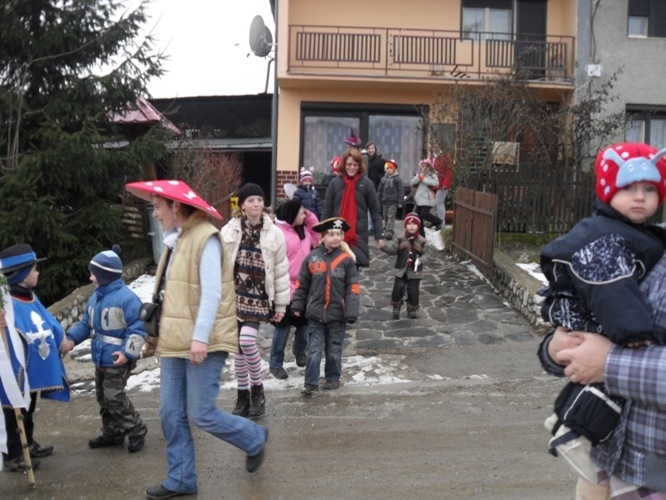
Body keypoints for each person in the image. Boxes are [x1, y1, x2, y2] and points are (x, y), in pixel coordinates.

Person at [125, 180, 269, 499]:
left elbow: (212, 293)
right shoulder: (174, 242)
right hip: (175, 341)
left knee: (201, 412)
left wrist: (200, 338)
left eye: (158, 207)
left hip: (204, 341)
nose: (155, 214)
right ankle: (181, 478)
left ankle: (253, 437)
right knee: (170, 413)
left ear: (176, 206)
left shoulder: (206, 238)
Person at [536, 142, 666, 485]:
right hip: (610, 461)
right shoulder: (619, 238)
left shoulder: (637, 238)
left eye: (650, 190)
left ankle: (575, 426)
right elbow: (606, 297)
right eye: (629, 188)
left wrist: (611, 362)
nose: (640, 197)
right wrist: (556, 348)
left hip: (651, 473)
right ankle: (572, 424)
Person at [59, 245, 148, 453]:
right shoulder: (95, 298)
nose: (91, 278)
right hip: (101, 358)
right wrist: (71, 339)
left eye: (94, 274)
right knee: (103, 397)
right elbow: (85, 324)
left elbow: (138, 329)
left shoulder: (127, 299)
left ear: (105, 276)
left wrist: (127, 354)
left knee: (113, 396)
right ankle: (113, 431)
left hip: (118, 358)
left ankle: (136, 429)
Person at [220, 183, 290, 419]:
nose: (256, 204)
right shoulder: (228, 230)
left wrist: (281, 305)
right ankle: (243, 395)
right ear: (242, 205)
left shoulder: (274, 233)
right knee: (238, 349)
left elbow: (281, 271)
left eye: (259, 200)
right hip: (234, 297)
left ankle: (257, 390)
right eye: (251, 200)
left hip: (258, 298)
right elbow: (219, 265)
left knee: (247, 341)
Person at [0, 244, 69, 472]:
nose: (38, 273)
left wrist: (60, 338)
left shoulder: (29, 297)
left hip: (31, 366)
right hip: (13, 369)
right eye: (34, 269)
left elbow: (46, 319)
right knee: (14, 410)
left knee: (28, 406)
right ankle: (13, 454)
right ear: (21, 274)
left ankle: (27, 443)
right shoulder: (6, 303)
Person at [292, 217, 360, 395]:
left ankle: (333, 378)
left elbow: (352, 288)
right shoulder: (312, 258)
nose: (335, 237)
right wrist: (298, 305)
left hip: (337, 314)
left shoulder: (347, 260)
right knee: (314, 350)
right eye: (331, 234)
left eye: (338, 234)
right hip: (315, 314)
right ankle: (311, 382)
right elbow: (302, 284)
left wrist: (351, 311)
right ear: (322, 237)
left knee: (334, 349)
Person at [269, 200, 320, 380]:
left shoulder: (304, 230)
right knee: (283, 328)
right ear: (291, 215)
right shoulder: (278, 233)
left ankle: (299, 351)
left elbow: (317, 234)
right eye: (300, 213)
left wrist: (309, 215)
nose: (304, 216)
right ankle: (275, 363)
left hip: (304, 287)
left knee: (304, 325)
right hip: (284, 287)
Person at [322, 148, 385, 267]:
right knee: (336, 274)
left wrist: (379, 236)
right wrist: (322, 233)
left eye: (355, 165)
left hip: (358, 237)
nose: (352, 168)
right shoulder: (334, 183)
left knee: (353, 274)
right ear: (344, 165)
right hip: (336, 236)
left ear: (359, 166)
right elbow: (327, 210)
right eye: (349, 164)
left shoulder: (367, 184)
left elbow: (375, 211)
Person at [381, 212, 426, 319]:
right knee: (397, 288)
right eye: (409, 224)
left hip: (414, 271)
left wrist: (421, 260)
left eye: (414, 224)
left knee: (413, 290)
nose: (412, 226)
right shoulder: (400, 238)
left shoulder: (422, 240)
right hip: (400, 269)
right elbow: (392, 249)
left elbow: (427, 253)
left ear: (418, 226)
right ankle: (396, 306)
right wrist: (383, 246)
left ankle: (412, 308)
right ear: (405, 225)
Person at [410, 158, 443, 235]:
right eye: (423, 166)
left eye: (426, 167)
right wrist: (419, 177)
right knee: (418, 216)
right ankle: (421, 233)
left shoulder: (433, 175)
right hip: (420, 198)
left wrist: (424, 179)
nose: (424, 168)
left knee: (424, 213)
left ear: (429, 167)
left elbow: (435, 183)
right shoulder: (420, 174)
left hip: (428, 198)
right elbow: (412, 183)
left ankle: (437, 221)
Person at [377, 159, 404, 240]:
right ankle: (386, 228)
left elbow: (401, 190)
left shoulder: (397, 179)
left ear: (394, 169)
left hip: (393, 201)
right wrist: (378, 198)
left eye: (390, 168)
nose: (389, 170)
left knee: (391, 216)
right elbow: (380, 190)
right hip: (385, 200)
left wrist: (400, 201)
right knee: (385, 215)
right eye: (387, 168)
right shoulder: (383, 179)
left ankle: (389, 231)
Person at [433, 151, 454, 221]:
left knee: (439, 202)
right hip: (435, 183)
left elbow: (449, 171)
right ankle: (435, 220)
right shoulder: (436, 156)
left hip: (442, 184)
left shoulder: (446, 156)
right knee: (434, 202)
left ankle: (441, 221)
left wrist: (445, 183)